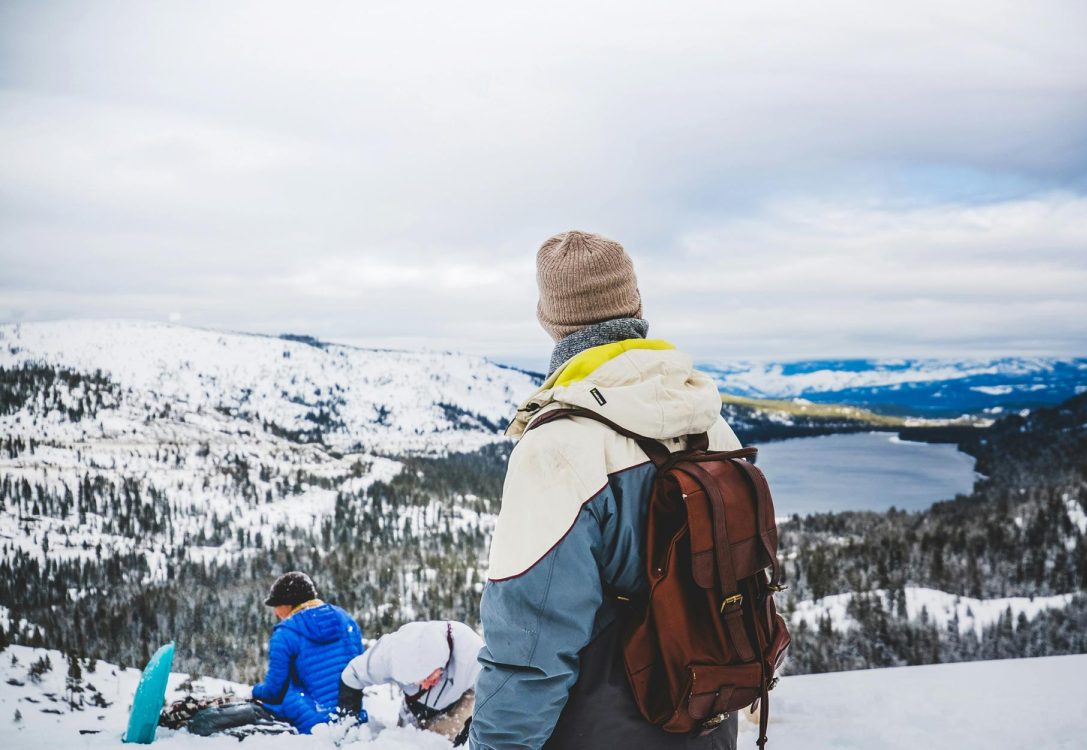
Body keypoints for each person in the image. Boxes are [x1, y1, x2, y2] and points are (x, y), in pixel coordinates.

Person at [469, 231, 742, 750]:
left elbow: (529, 646)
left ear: (550, 320)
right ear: (636, 305)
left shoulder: (559, 446)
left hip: (601, 729)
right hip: (707, 717)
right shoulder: (710, 423)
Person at [250, 571, 364, 734]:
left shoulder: (285, 633)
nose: (275, 612)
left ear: (289, 603)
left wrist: (254, 691)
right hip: (353, 718)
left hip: (316, 725)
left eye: (276, 604)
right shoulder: (346, 619)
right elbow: (360, 669)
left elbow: (273, 692)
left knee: (285, 691)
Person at [337, 620, 483, 745]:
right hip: (412, 708)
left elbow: (492, 690)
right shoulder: (388, 653)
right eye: (417, 682)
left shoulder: (470, 649)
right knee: (404, 742)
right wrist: (350, 722)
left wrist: (471, 721)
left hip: (457, 704)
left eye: (430, 678)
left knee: (441, 742)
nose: (425, 685)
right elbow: (352, 675)